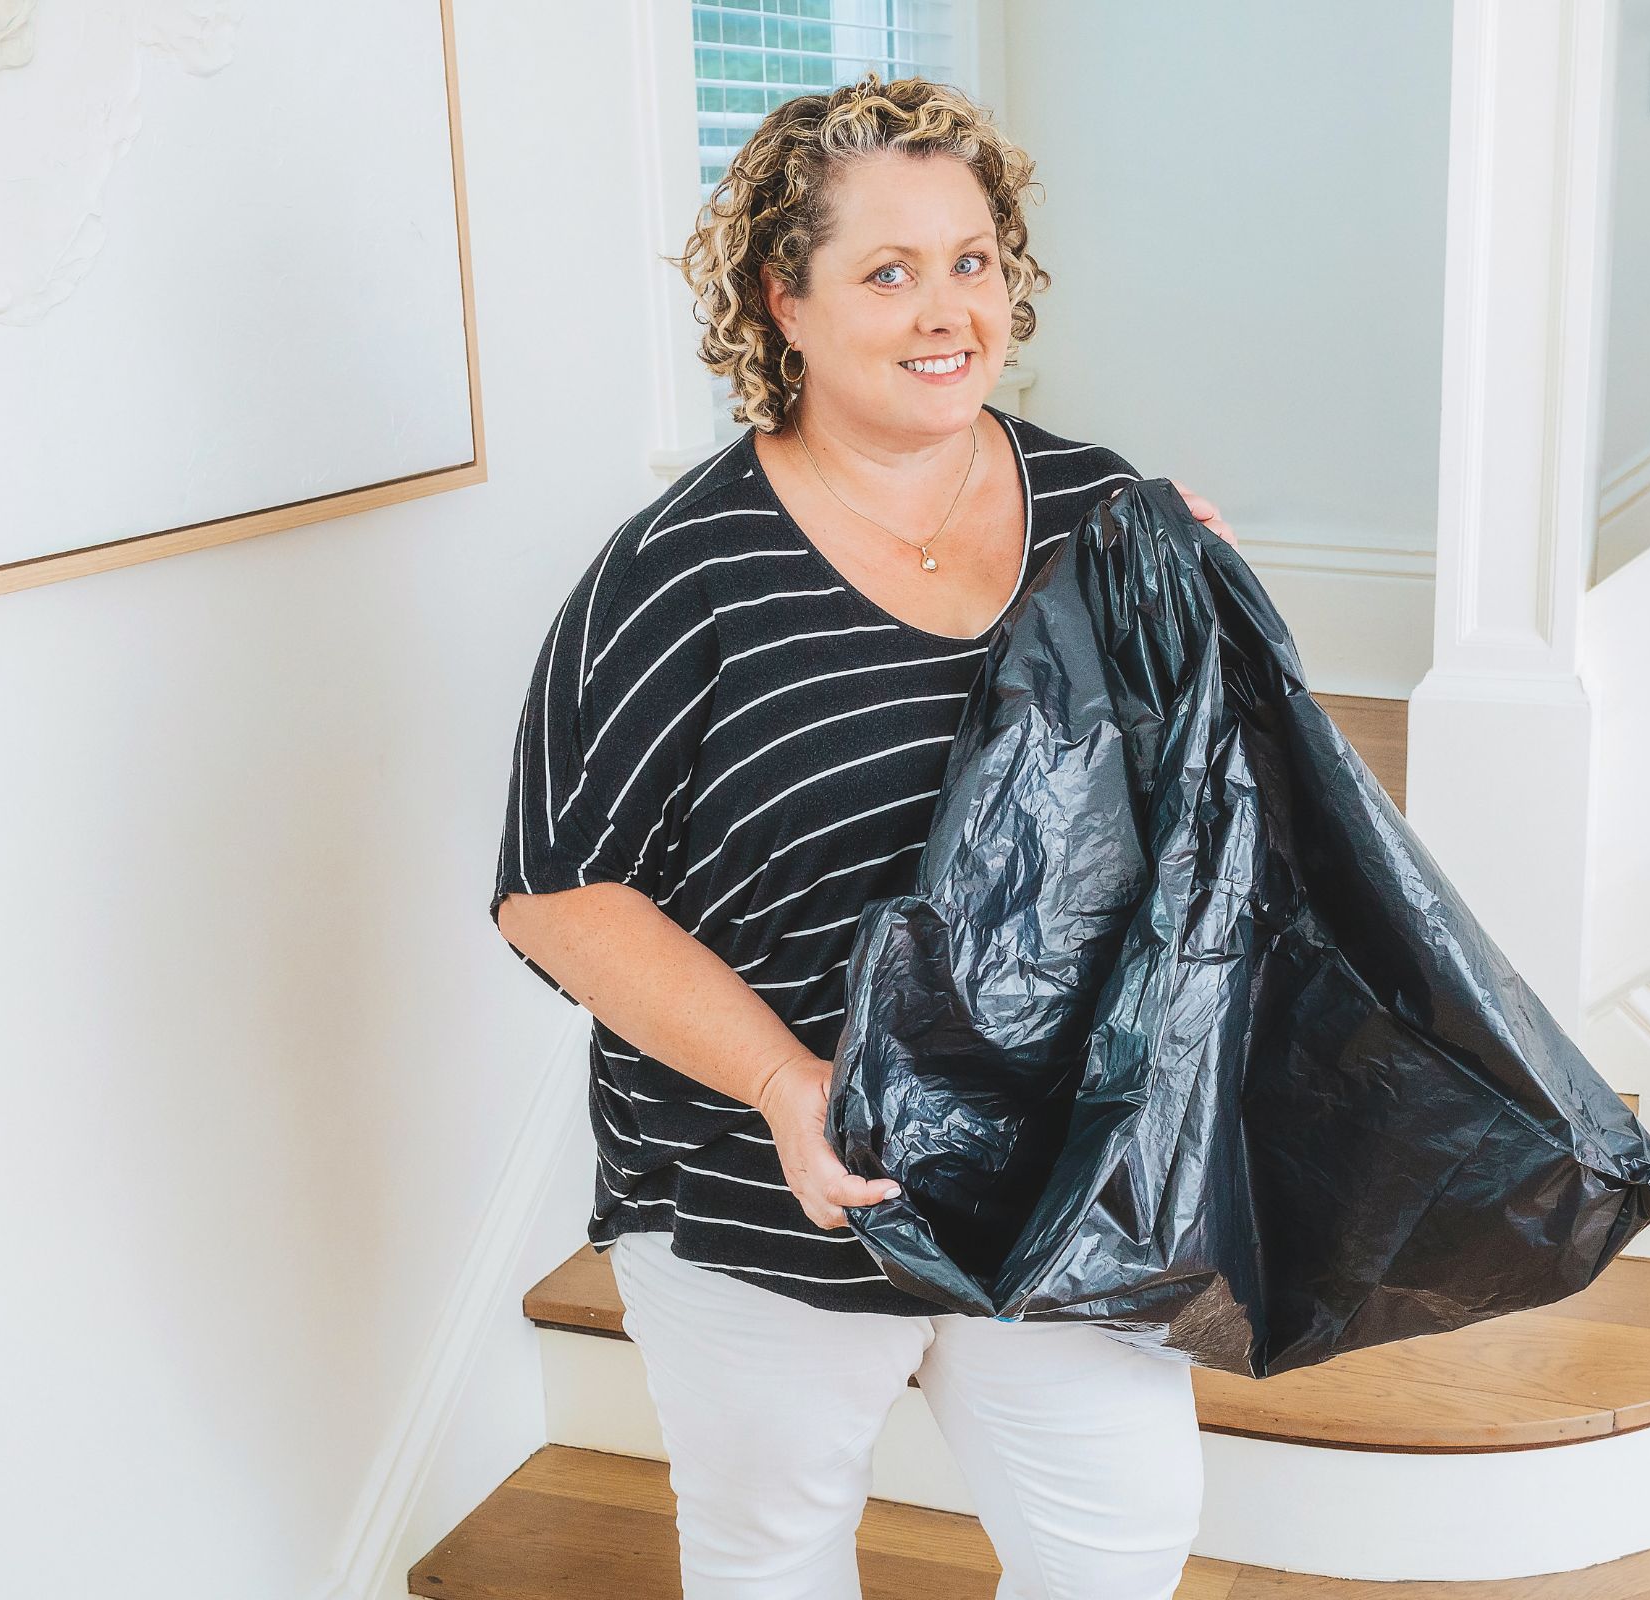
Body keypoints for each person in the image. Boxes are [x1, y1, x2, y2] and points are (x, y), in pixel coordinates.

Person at [490, 71, 1236, 1600]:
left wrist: (1213, 628)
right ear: (785, 299)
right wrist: (786, 1083)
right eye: (887, 272)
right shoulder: (676, 574)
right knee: (775, 1552)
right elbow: (555, 896)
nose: (947, 308)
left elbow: (1201, 829)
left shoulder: (1104, 510)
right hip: (766, 1178)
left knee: (1120, 1539)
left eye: (972, 261)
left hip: (1053, 1160)